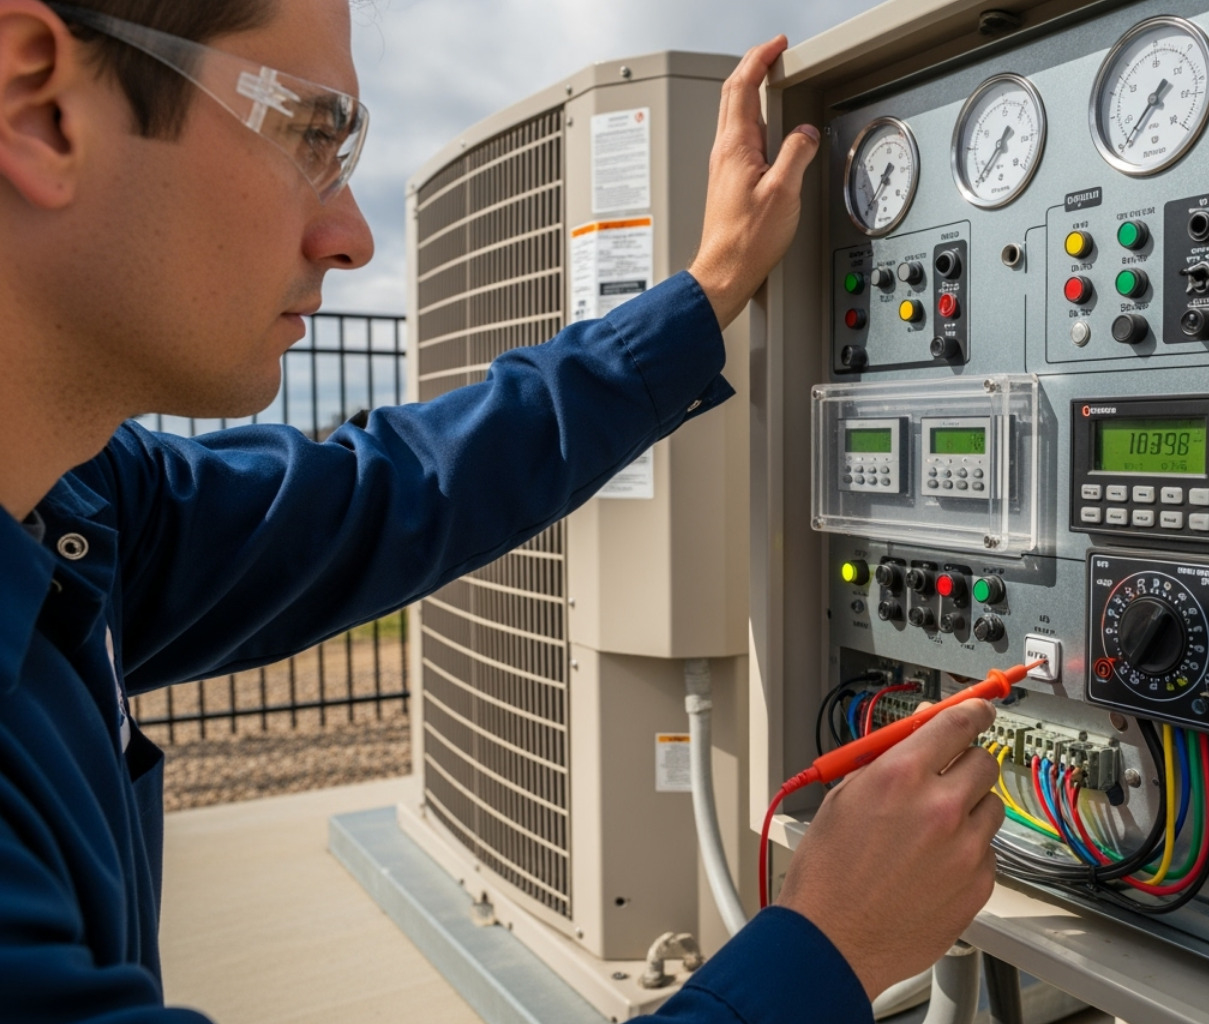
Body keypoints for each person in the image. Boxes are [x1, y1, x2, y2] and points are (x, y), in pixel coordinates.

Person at [0, 1, 1007, 1021]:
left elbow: (399, 487)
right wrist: (827, 944)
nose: (349, 236)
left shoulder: (73, 503)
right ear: (37, 103)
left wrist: (704, 296)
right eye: (309, 132)